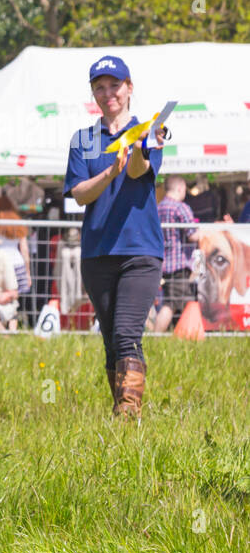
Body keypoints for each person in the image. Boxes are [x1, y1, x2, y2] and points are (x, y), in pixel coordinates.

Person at [63, 55, 167, 417]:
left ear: (129, 89)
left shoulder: (149, 131)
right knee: (110, 338)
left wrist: (136, 150)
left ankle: (128, 414)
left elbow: (140, 171)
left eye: (115, 86)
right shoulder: (83, 139)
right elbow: (78, 194)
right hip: (97, 252)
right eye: (100, 88)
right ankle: (120, 413)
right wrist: (110, 172)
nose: (108, 94)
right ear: (94, 93)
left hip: (141, 251)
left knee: (126, 332)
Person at [154, 176, 198, 332]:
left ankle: (183, 334)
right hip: (179, 264)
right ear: (180, 188)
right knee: (170, 305)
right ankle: (155, 337)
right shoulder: (181, 207)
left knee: (183, 301)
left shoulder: (157, 208)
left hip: (163, 263)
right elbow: (193, 235)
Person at [0, 203, 33, 325]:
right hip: (17, 263)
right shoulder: (19, 224)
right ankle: (12, 327)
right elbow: (25, 251)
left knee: (0, 296)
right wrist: (27, 273)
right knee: (14, 300)